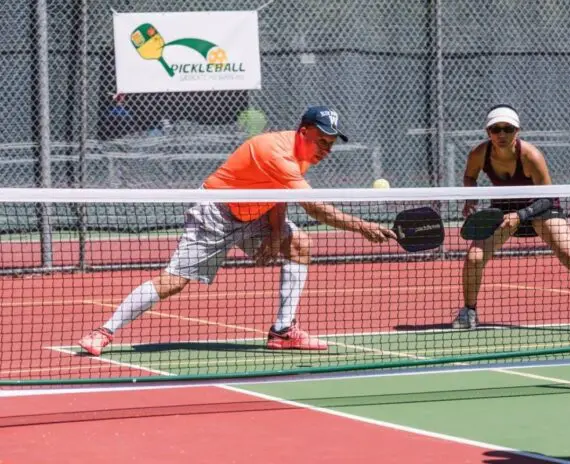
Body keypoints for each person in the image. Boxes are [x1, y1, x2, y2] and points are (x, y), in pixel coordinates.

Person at [78, 106, 396, 355]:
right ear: (303, 132)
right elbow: (313, 208)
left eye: (330, 144)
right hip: (216, 213)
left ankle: (283, 332)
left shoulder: (304, 154)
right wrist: (362, 226)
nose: (325, 150)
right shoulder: (277, 152)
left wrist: (274, 236)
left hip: (255, 213)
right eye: (322, 141)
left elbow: (277, 195)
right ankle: (103, 331)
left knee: (299, 243)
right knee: (174, 282)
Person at [453, 104, 570, 333]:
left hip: (540, 207)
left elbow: (547, 197)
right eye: (496, 129)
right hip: (503, 208)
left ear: (517, 131)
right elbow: (469, 176)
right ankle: (469, 312)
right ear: (488, 132)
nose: (502, 134)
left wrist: (521, 215)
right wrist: (470, 198)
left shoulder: (531, 156)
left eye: (508, 129)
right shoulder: (479, 154)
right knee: (474, 257)